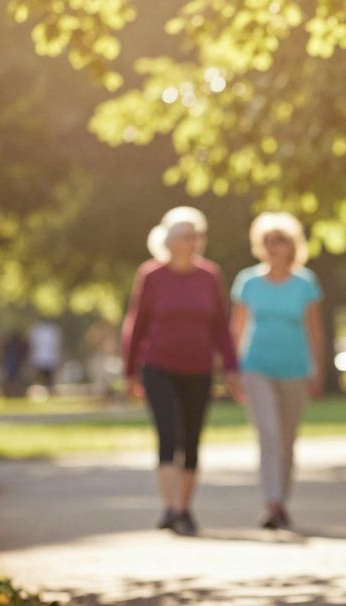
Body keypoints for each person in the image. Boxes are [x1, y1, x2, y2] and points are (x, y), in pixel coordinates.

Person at [122, 206, 242, 536]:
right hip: (158, 366)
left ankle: (184, 508)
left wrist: (231, 368)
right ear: (170, 240)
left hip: (199, 367)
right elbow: (137, 323)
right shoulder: (151, 276)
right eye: (187, 236)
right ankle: (170, 506)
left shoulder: (209, 276)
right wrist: (129, 369)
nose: (194, 242)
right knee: (168, 434)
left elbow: (220, 325)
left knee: (191, 439)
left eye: (197, 236)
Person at [230, 212, 326, 530]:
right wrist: (232, 370)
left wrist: (317, 369)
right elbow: (237, 329)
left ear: (290, 245)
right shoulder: (248, 282)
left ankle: (281, 502)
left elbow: (315, 331)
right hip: (256, 366)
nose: (274, 246)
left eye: (280, 240)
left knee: (287, 438)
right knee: (268, 433)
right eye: (268, 240)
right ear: (261, 245)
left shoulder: (305, 284)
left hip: (295, 368)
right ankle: (270, 503)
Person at [29, 318, 63, 393]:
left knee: (48, 377)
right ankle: (45, 391)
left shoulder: (51, 330)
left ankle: (49, 391)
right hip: (42, 358)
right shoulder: (38, 330)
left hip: (48, 358)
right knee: (42, 377)